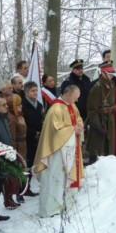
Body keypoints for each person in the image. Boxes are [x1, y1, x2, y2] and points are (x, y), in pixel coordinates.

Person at [33, 85, 85, 218]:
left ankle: (66, 204)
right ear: (67, 94)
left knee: (67, 178)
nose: (77, 100)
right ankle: (50, 209)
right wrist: (74, 130)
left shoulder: (72, 106)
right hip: (56, 152)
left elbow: (78, 119)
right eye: (75, 97)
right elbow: (56, 132)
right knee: (54, 179)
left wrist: (79, 126)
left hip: (70, 149)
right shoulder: (55, 109)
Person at [86, 63, 116, 165]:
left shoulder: (112, 85)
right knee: (97, 152)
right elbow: (91, 110)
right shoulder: (97, 88)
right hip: (100, 122)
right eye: (109, 73)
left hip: (110, 121)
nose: (111, 75)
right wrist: (98, 126)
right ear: (103, 73)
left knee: (109, 152)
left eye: (112, 73)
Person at [22, 81, 43, 197]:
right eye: (32, 91)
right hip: (27, 138)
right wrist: (33, 132)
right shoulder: (23, 105)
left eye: (36, 90)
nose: (35, 93)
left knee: (35, 162)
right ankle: (24, 188)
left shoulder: (39, 105)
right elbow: (22, 124)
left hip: (38, 137)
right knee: (27, 163)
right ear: (26, 92)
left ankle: (30, 185)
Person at [6, 94, 27, 207]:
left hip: (23, 146)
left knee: (22, 171)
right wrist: (14, 153)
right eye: (18, 104)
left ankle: (22, 192)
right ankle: (14, 196)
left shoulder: (18, 116)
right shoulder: (12, 119)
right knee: (16, 173)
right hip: (17, 148)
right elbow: (12, 137)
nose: (21, 106)